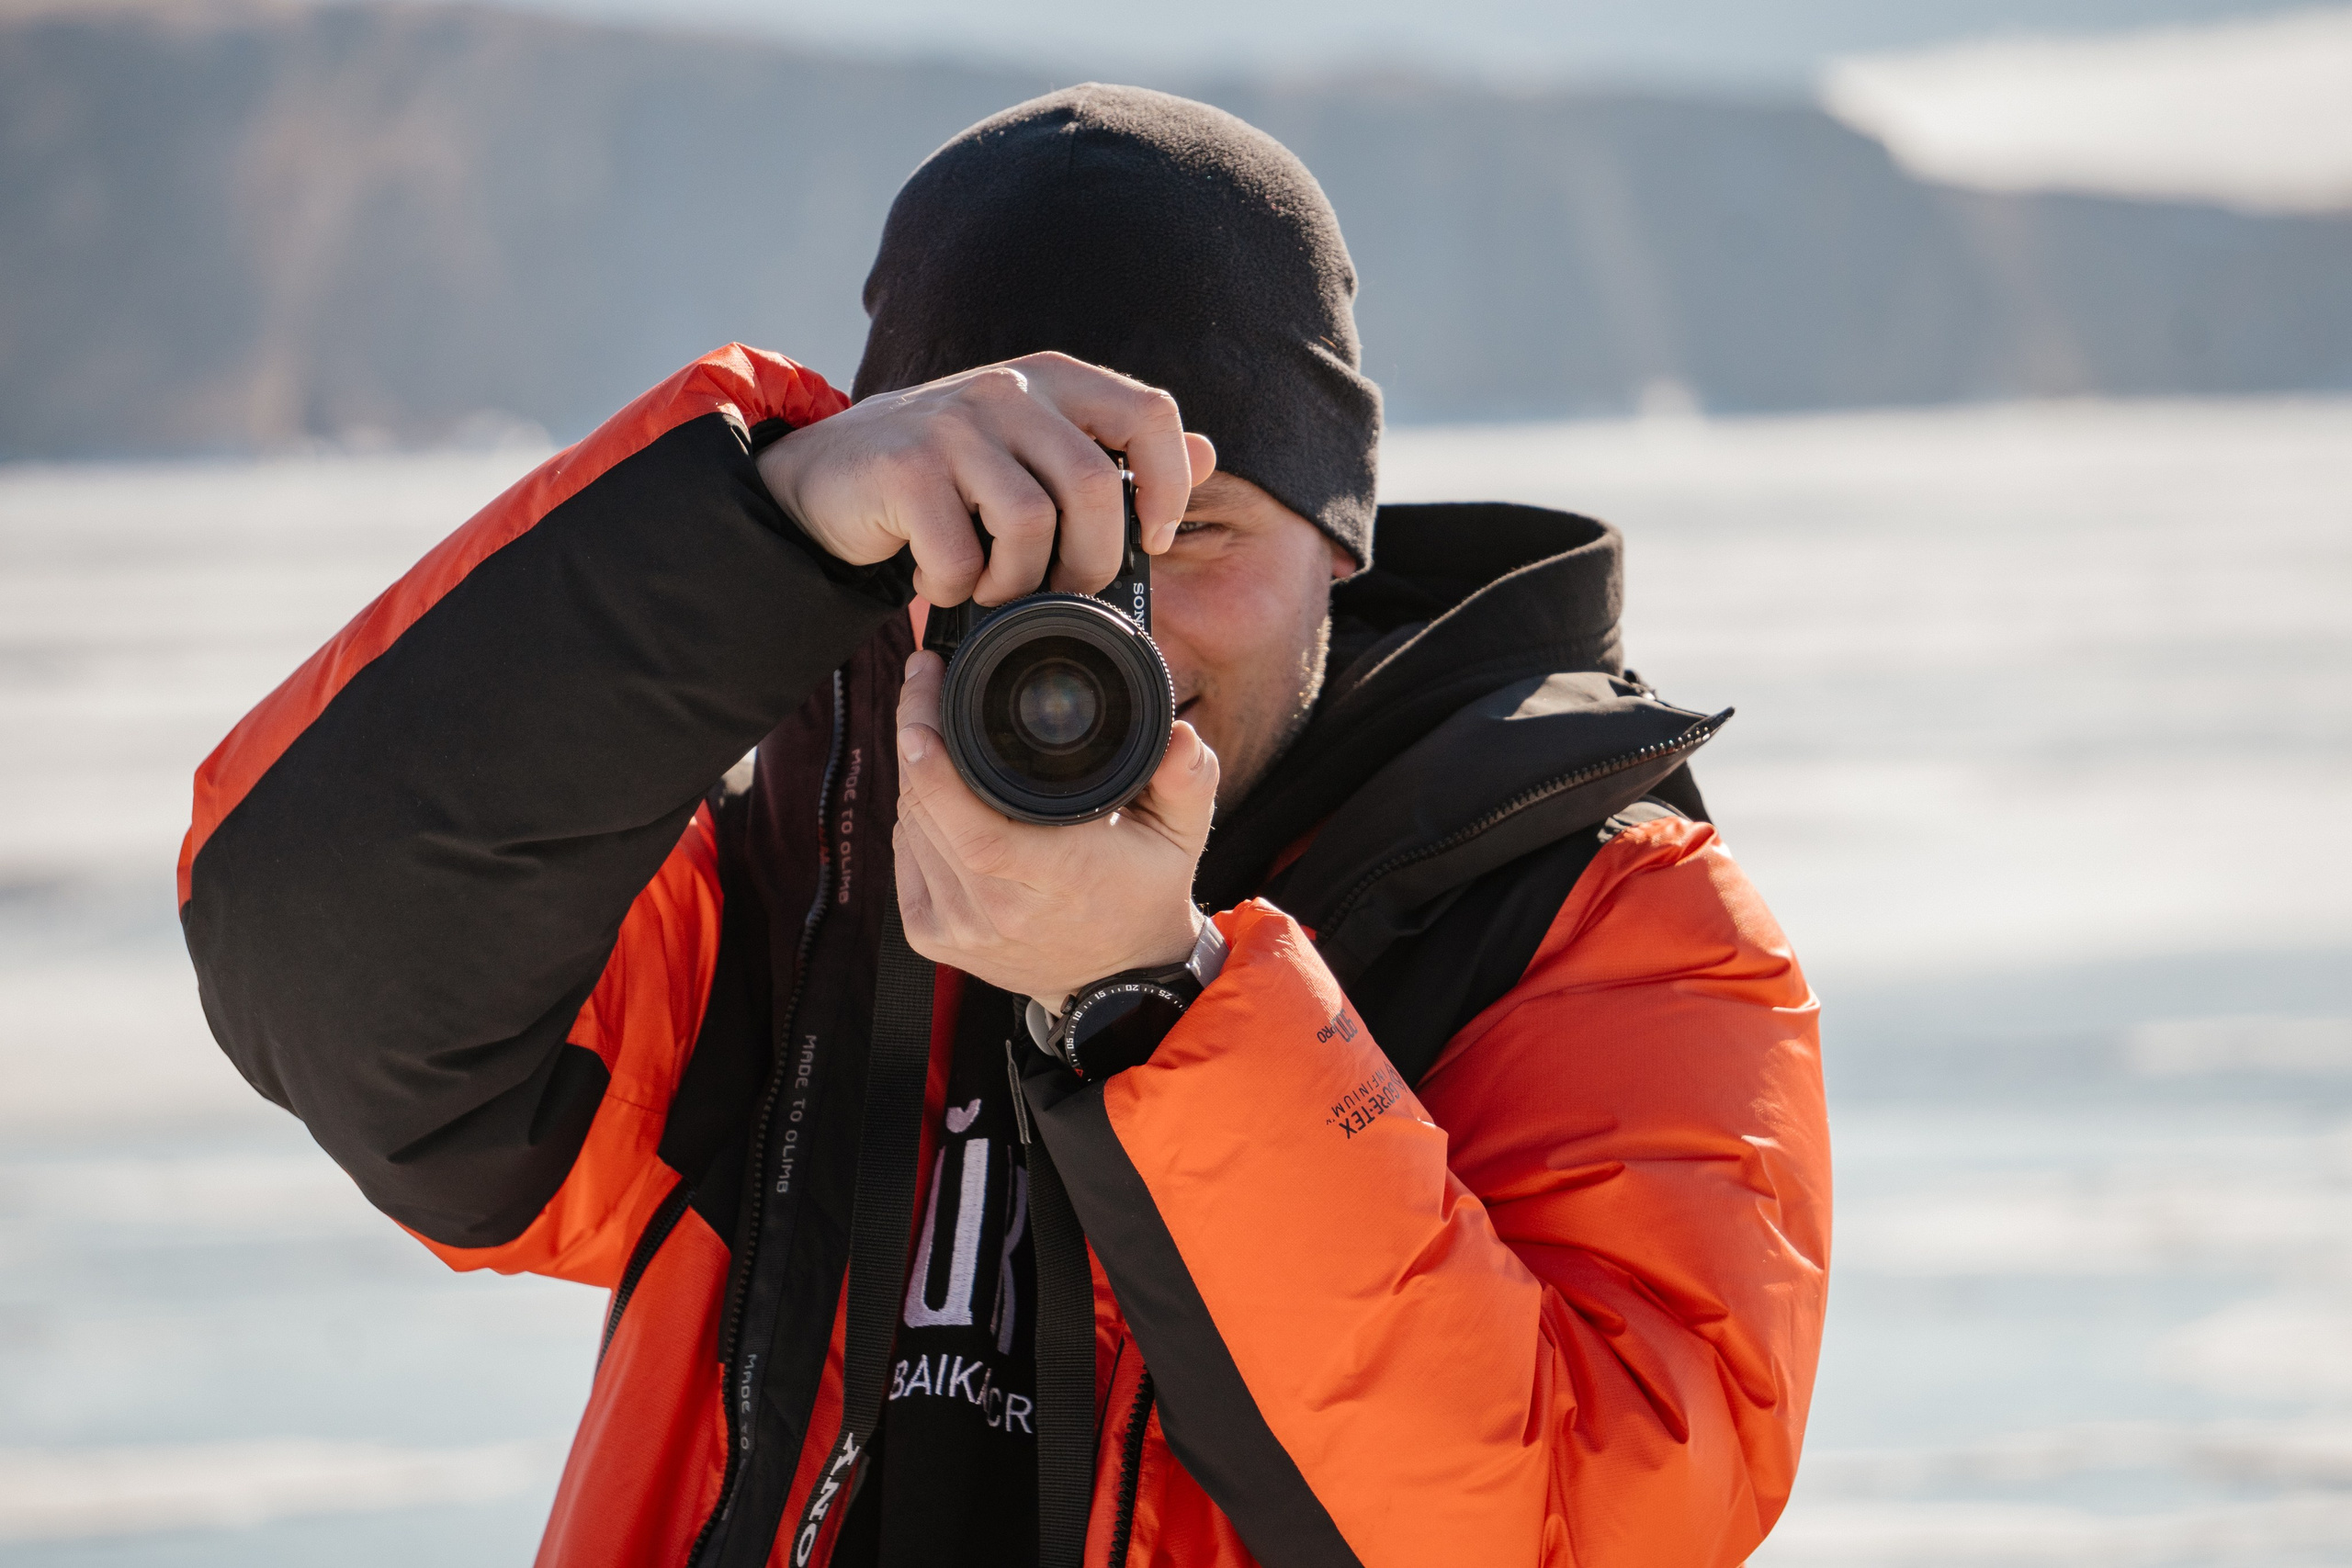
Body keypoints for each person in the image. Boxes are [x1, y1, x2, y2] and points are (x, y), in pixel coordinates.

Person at [180, 85, 1827, 1568]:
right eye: (1000, 530)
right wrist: (755, 526)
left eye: (1198, 531)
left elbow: (1584, 1527)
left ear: (1341, 545)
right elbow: (326, 979)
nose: (1116, 632)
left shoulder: (1603, 924)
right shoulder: (784, 855)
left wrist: (1153, 1002)